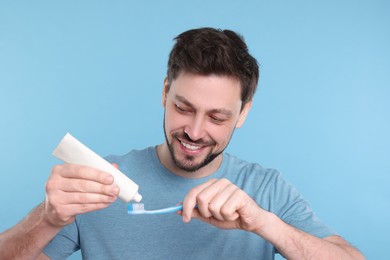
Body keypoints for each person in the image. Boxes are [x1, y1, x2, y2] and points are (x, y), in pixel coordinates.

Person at [0, 27, 364, 260]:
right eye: (183, 108)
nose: (194, 130)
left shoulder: (266, 190)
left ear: (243, 113)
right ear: (164, 93)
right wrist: (46, 220)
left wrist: (264, 224)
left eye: (217, 117)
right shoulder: (102, 182)